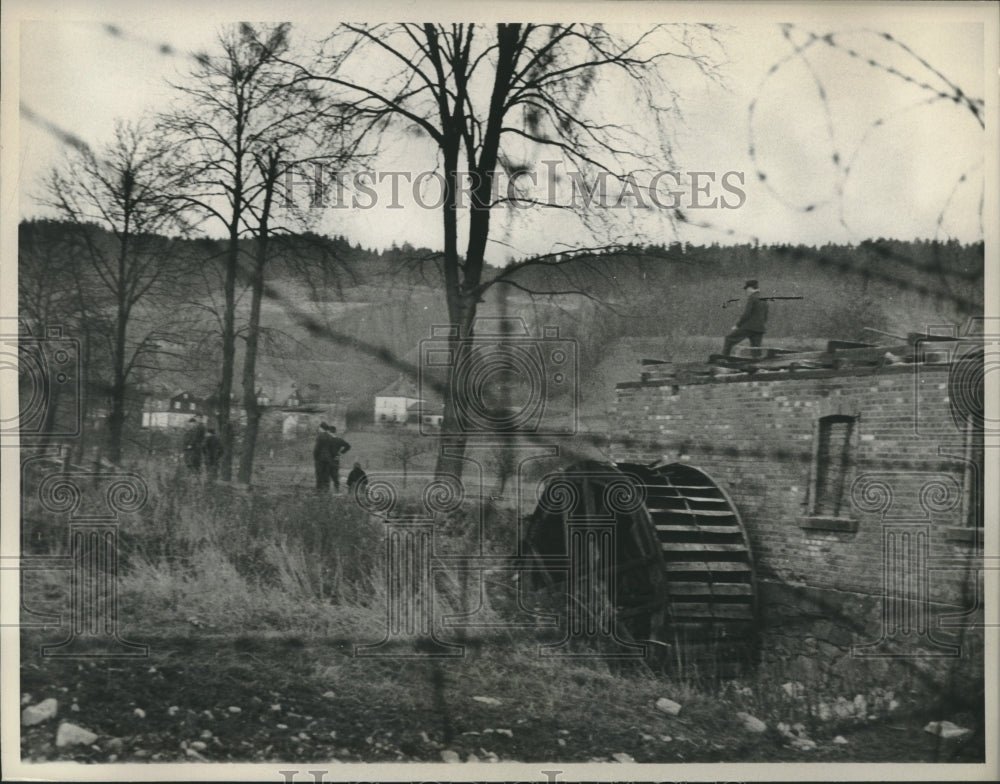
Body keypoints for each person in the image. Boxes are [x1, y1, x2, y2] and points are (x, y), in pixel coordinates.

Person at [722, 279, 769, 357]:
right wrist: (760, 324)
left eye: (747, 289)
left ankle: (723, 358)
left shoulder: (752, 298)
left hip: (749, 327)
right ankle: (756, 365)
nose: (746, 291)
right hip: (760, 328)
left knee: (729, 339)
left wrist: (737, 325)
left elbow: (747, 314)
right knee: (756, 350)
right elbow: (765, 316)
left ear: (750, 288)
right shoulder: (764, 298)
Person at [313, 422, 351, 493]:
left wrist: (317, 457)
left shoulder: (327, 438)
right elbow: (348, 446)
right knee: (334, 476)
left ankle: (323, 490)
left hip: (326, 459)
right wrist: (340, 453)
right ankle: (336, 490)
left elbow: (319, 449)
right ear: (335, 431)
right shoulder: (338, 439)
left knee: (324, 475)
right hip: (334, 459)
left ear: (329, 431)